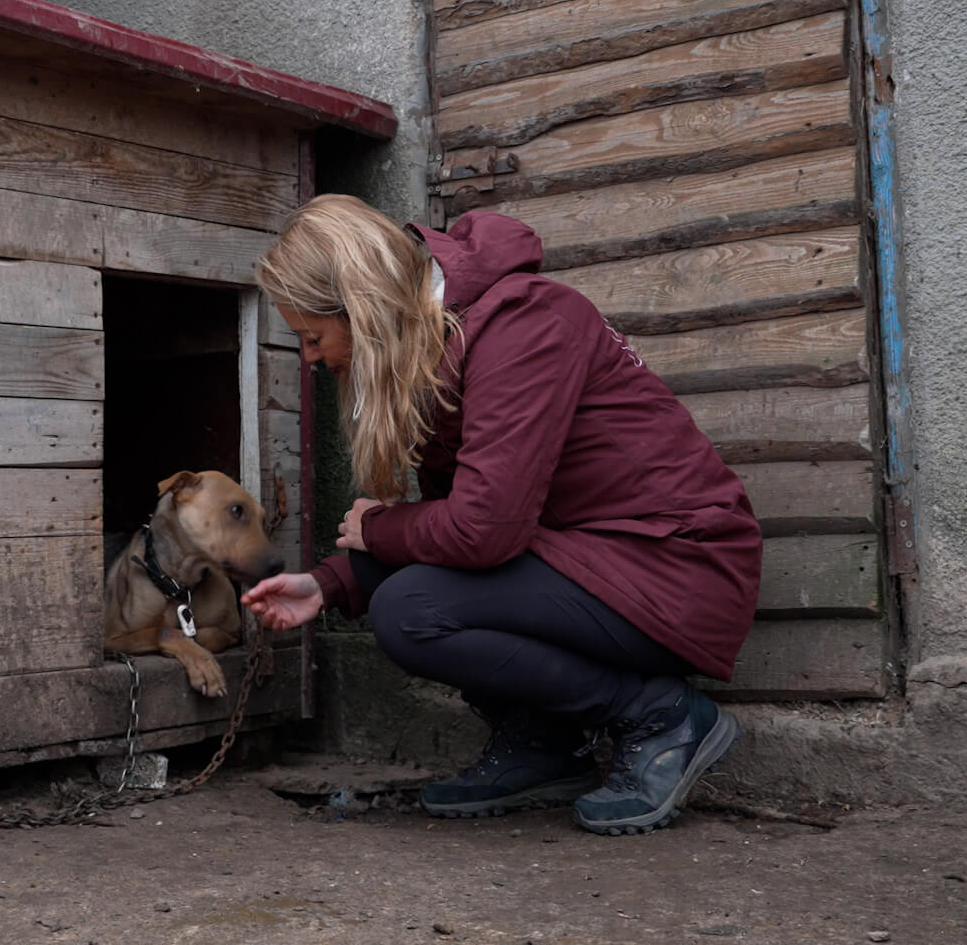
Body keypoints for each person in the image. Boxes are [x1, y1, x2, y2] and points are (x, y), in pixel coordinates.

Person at [242, 194, 761, 836]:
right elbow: (471, 524)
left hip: (674, 566)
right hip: (587, 559)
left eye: (314, 336)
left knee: (412, 612)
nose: (312, 359)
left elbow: (483, 531)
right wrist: (331, 583)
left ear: (365, 307)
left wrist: (377, 530)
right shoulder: (446, 338)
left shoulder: (524, 324)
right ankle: (545, 744)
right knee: (411, 596)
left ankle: (662, 717)